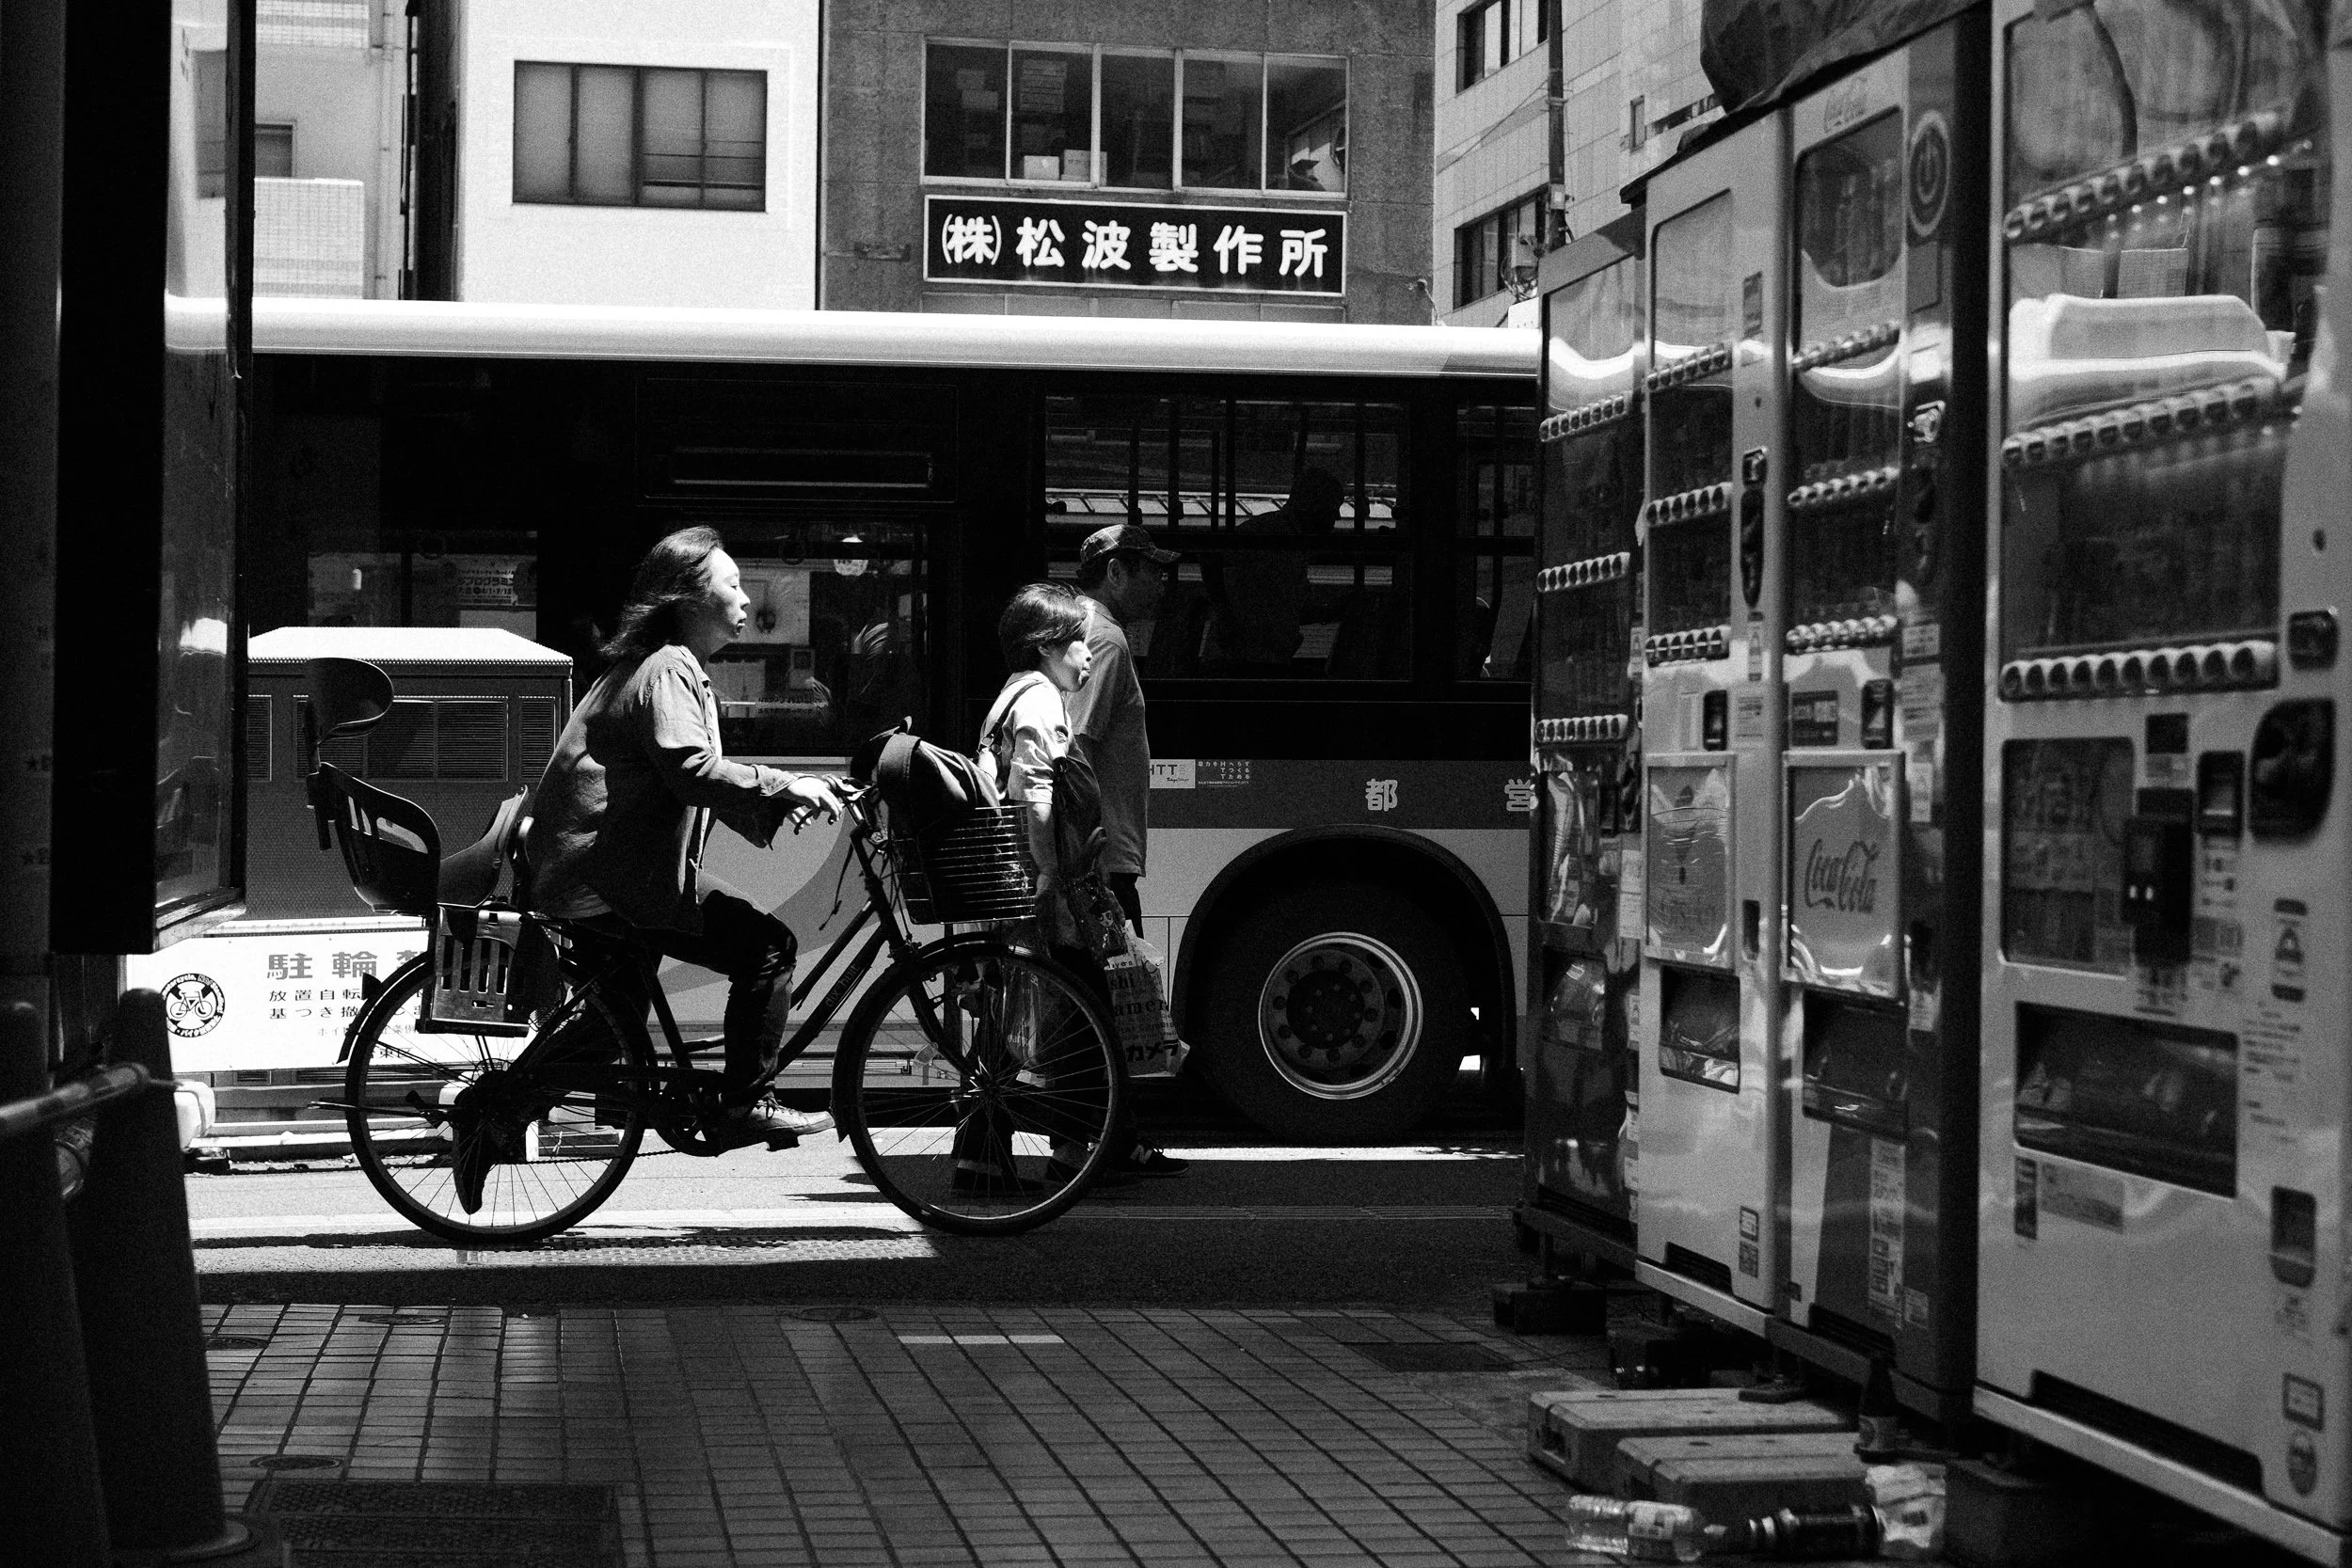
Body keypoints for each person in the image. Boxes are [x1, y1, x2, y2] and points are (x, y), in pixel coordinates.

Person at [526, 526, 843, 1148]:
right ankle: (748, 1102)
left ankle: (493, 1112)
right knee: (768, 949)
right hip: (614, 875)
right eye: (733, 585)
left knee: (607, 1024)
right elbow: (692, 771)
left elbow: (679, 781)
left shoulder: (651, 665)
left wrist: (774, 800)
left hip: (601, 870)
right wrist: (783, 785)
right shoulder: (668, 666)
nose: (748, 599)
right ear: (689, 600)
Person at [1069, 524, 1189, 1179]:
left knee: (1094, 998)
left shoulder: (1075, 628)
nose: (1162, 582)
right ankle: (1109, 1142)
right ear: (1115, 572)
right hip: (1101, 856)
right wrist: (1084, 847)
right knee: (1111, 999)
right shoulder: (1106, 639)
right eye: (1151, 569)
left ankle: (1094, 1141)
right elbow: (1079, 746)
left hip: (1093, 851)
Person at [1200, 466, 1345, 673]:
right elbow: (1211, 555)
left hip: (1252, 658)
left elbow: (1288, 607)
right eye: (1332, 508)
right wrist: (1226, 615)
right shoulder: (1272, 534)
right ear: (1312, 504)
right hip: (1245, 661)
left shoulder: (1280, 537)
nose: (1337, 517)